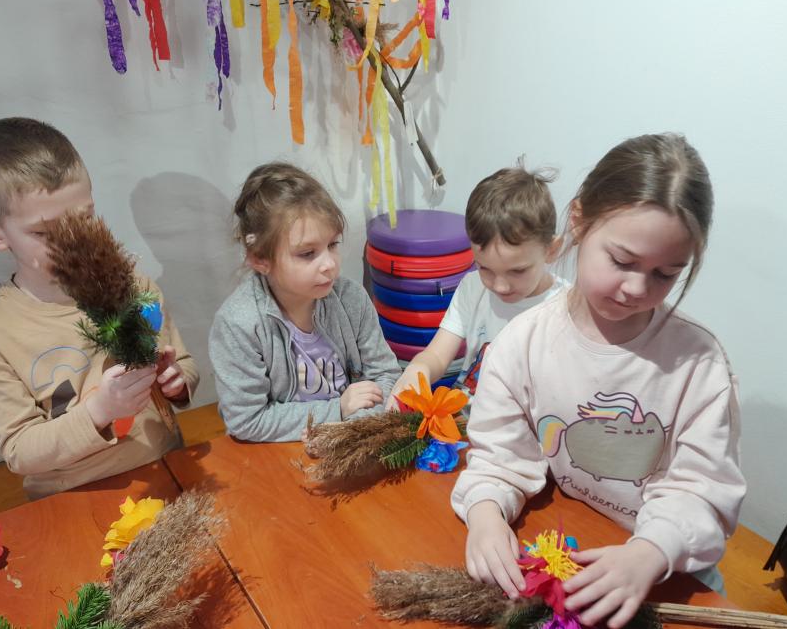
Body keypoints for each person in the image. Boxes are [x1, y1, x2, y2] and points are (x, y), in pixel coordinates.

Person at [451, 133, 746, 628]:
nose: (636, 288)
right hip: (576, 543)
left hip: (664, 572)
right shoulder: (524, 341)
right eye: (623, 262)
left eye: (665, 274)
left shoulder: (698, 363)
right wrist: (484, 512)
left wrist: (650, 552)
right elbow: (499, 454)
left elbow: (704, 491)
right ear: (578, 221)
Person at [0, 117, 198, 499]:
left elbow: (182, 364)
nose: (72, 242)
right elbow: (19, 452)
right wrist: (99, 410)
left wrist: (177, 382)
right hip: (72, 497)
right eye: (45, 232)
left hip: (168, 468)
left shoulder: (135, 286)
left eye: (83, 219)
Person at [209, 162, 401, 442]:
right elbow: (246, 420)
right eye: (308, 253)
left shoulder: (351, 298)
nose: (329, 264)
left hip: (348, 443)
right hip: (273, 454)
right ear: (260, 259)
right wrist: (338, 410)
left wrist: (349, 431)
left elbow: (386, 375)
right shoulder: (238, 323)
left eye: (332, 245)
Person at [386, 165, 564, 411]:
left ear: (551, 250)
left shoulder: (567, 309)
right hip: (465, 417)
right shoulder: (473, 288)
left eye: (517, 271)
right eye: (484, 268)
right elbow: (437, 355)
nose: (500, 286)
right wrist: (418, 370)